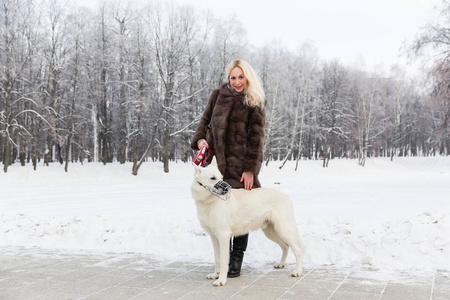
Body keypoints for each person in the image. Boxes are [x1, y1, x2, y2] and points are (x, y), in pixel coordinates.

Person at [191, 59, 266, 278]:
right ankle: (220, 263)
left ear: (248, 77)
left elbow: (256, 138)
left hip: (241, 166)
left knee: (241, 214)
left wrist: (251, 169)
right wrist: (199, 140)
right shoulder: (217, 96)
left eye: (241, 77)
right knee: (216, 212)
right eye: (233, 77)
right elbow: (205, 121)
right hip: (215, 166)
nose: (237, 82)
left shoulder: (255, 101)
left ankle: (236, 260)